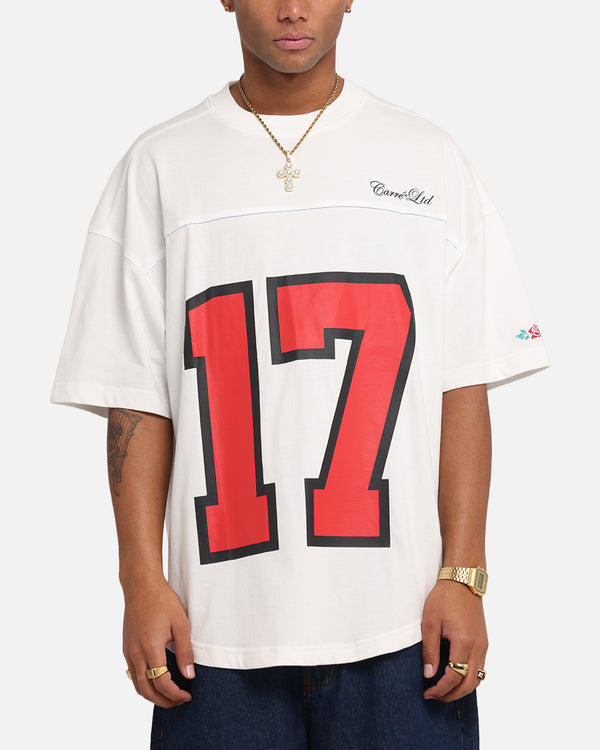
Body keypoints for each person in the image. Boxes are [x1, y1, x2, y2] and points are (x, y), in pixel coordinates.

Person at [51, 1, 550, 747]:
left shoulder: (428, 157)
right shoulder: (159, 165)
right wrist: (141, 583)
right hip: (214, 635)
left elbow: (462, 382)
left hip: (403, 628)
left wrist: (465, 574)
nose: (292, 8)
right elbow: (136, 401)